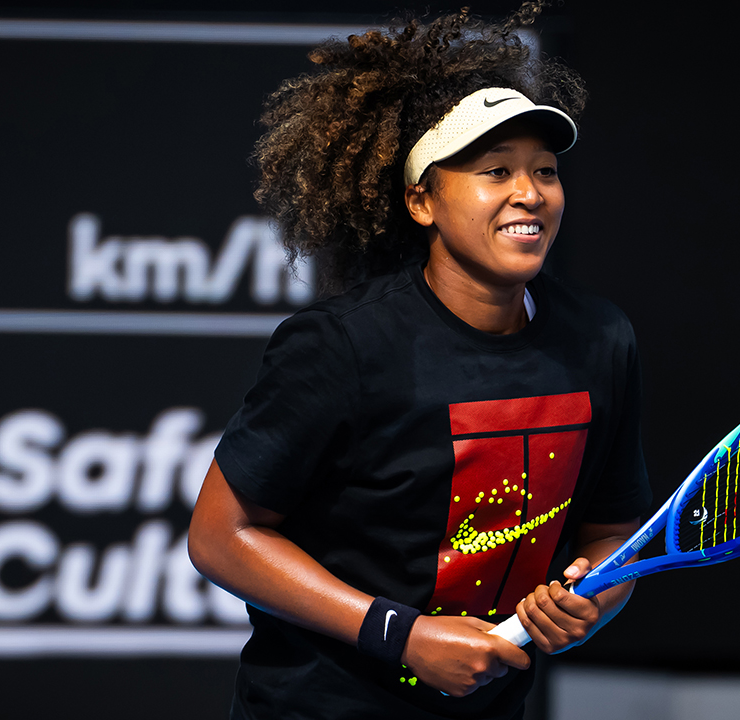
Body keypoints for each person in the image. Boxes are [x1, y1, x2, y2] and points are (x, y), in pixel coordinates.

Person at [188, 3, 651, 718]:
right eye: (496, 171)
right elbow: (222, 537)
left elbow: (613, 535)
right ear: (421, 200)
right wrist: (400, 635)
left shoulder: (601, 339)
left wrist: (590, 602)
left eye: (545, 171)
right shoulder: (343, 345)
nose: (529, 193)